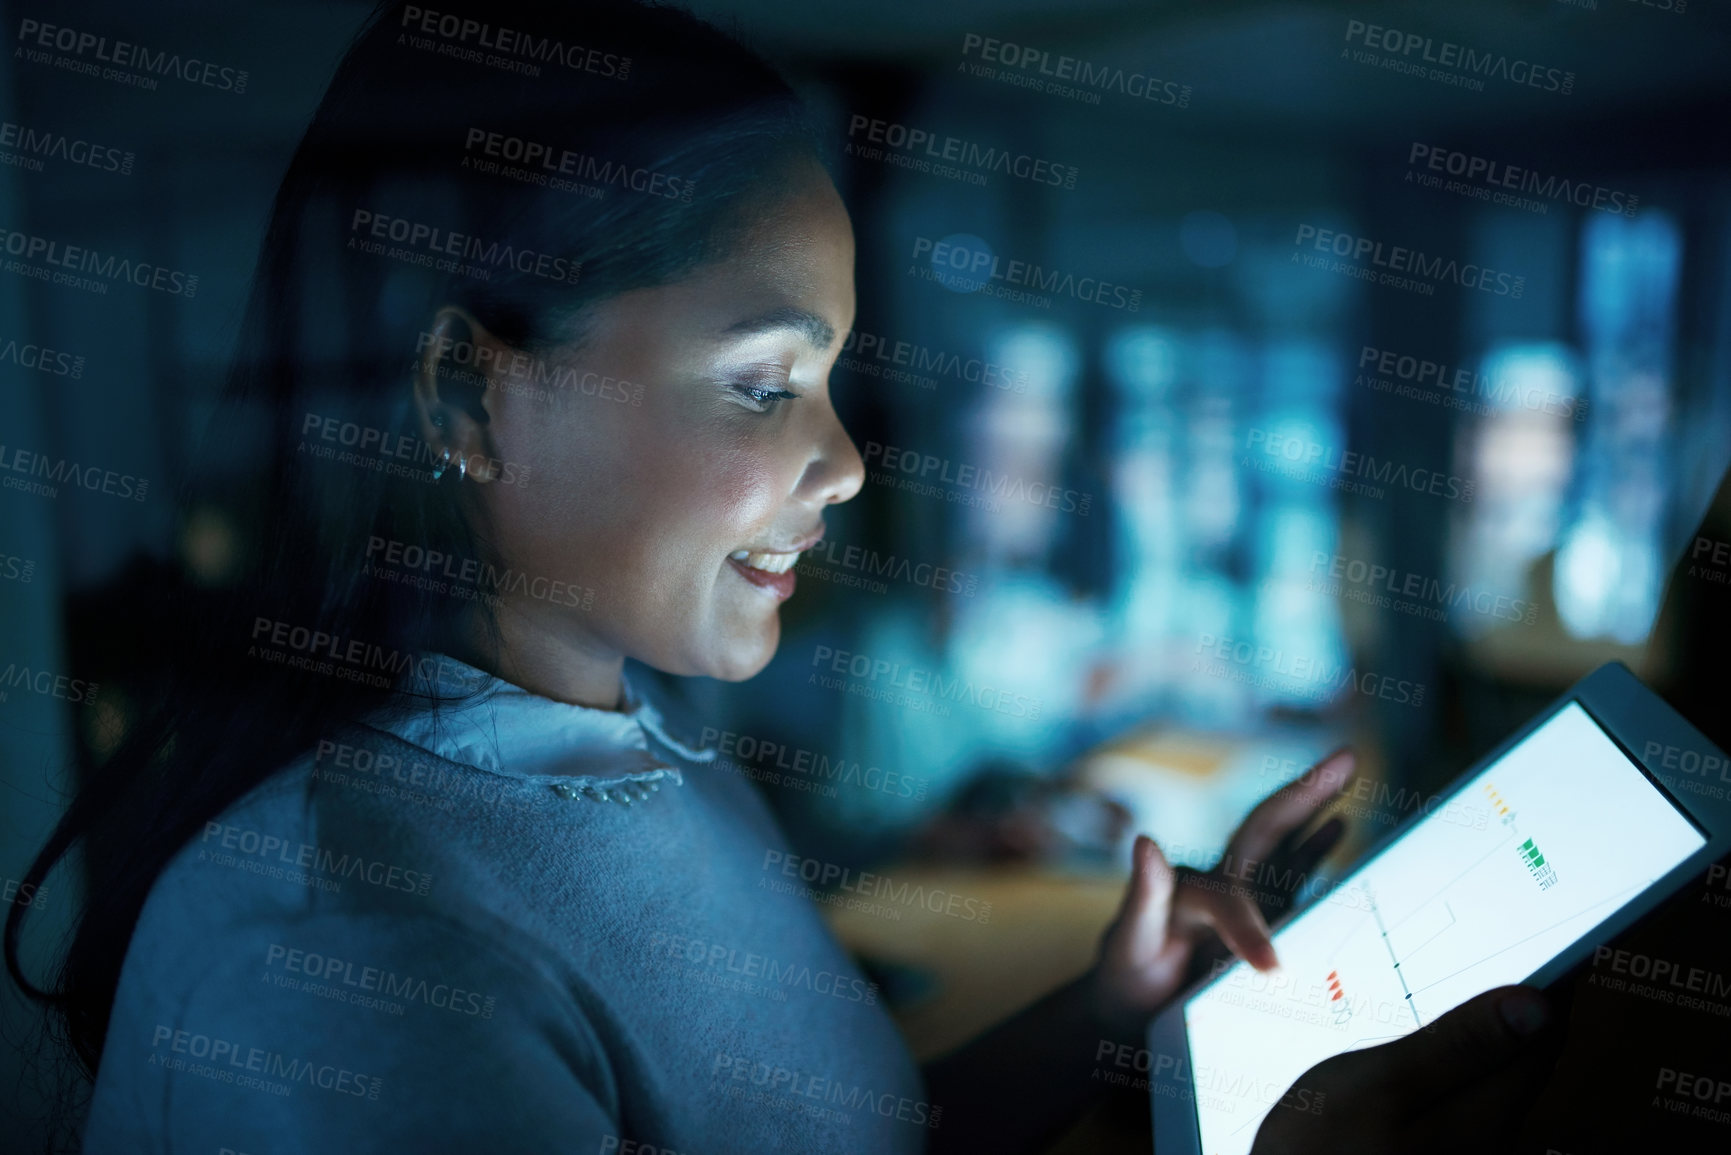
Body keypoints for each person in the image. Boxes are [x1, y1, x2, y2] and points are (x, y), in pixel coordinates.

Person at [3, 1, 1561, 1151]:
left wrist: (1114, 1025)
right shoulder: (334, 955)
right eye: (764, 386)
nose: (850, 464)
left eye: (832, 384)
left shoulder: (646, 750)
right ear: (469, 399)